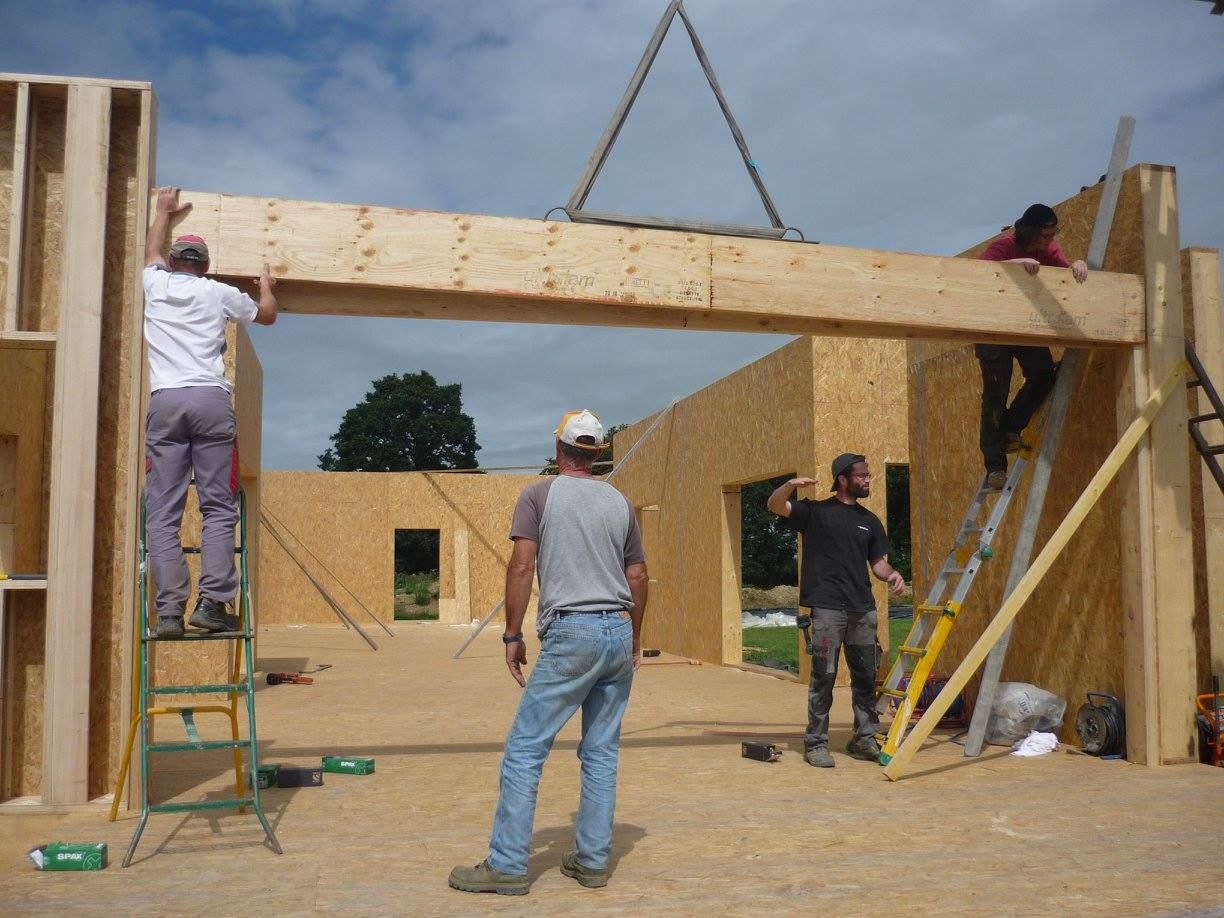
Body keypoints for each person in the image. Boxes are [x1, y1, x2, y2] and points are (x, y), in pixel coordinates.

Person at [449, 410, 649, 896]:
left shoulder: (539, 495)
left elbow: (522, 566)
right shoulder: (620, 502)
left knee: (525, 748)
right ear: (596, 454)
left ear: (559, 448)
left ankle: (507, 865)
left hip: (571, 631)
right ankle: (592, 861)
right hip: (617, 629)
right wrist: (634, 637)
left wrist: (512, 634)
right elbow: (638, 575)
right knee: (601, 751)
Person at [143, 187, 278, 638]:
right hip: (209, 401)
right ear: (204, 265)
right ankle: (212, 605)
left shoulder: (154, 283)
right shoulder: (219, 292)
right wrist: (266, 288)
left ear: (173, 261)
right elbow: (267, 316)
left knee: (163, 512)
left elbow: (150, 252)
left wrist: (163, 213)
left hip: (165, 402)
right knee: (218, 507)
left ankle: (168, 614)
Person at [767, 453, 904, 768]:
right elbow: (775, 505)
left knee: (865, 678)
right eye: (862, 475)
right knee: (824, 677)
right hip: (827, 609)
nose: (868, 480)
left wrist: (893, 574)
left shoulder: (869, 520)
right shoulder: (815, 513)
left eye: (868, 475)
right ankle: (816, 744)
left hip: (862, 610)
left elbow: (878, 564)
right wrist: (790, 484)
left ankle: (864, 739)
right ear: (843, 479)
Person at [977, 203, 1088, 489]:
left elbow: (1064, 271)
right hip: (992, 329)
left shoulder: (1048, 249)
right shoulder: (1005, 246)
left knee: (1044, 374)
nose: (1049, 241)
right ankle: (995, 467)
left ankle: (1011, 428)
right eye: (1045, 235)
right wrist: (1014, 264)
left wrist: (1076, 266)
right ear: (1029, 231)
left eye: (1053, 234)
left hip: (1022, 328)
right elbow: (977, 271)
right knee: (995, 396)